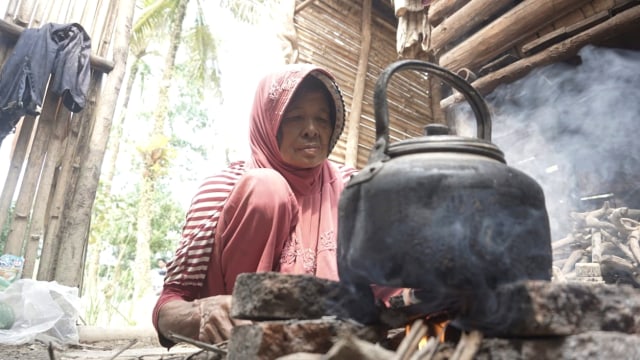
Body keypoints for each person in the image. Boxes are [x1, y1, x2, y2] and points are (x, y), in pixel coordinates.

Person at [152, 63, 356, 348]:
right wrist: (201, 313)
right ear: (268, 124)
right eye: (296, 117)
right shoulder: (224, 187)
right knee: (266, 187)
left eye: (322, 119)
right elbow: (168, 302)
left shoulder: (350, 188)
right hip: (234, 344)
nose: (312, 130)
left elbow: (390, 287)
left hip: (328, 343)